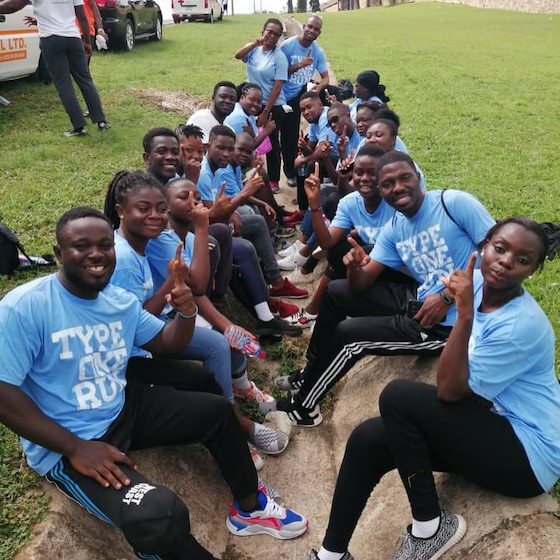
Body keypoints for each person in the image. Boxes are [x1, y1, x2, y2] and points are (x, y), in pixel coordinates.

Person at [0, 208, 308, 560]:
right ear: (58, 254)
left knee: (217, 410)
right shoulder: (24, 308)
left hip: (121, 407)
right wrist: (75, 447)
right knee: (159, 514)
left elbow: (167, 344)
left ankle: (250, 509)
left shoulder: (118, 303)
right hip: (69, 440)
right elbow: (3, 391)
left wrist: (187, 311)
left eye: (104, 244)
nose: (96, 254)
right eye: (80, 246)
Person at [305, 217, 560, 560]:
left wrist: (465, 314)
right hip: (495, 419)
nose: (506, 261)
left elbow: (449, 391)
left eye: (522, 259)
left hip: (530, 457)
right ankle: (331, 554)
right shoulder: (479, 283)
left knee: (398, 396)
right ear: (483, 246)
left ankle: (429, 528)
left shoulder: (522, 325)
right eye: (499, 248)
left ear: (532, 271)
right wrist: (451, 295)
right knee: (369, 438)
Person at [272, 151, 495, 427]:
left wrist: (448, 297)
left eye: (404, 178)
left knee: (350, 336)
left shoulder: (454, 203)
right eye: (388, 183)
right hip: (419, 300)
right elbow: (362, 283)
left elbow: (497, 256)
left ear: (418, 176)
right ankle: (312, 369)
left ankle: (304, 408)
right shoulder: (395, 228)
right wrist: (354, 266)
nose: (397, 187)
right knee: (336, 292)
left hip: (449, 323)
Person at [103, 171, 291, 459]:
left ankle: (239, 392)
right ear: (121, 212)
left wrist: (223, 322)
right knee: (215, 343)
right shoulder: (133, 255)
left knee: (226, 333)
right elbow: (191, 288)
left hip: (160, 320)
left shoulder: (154, 239)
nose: (156, 216)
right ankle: (233, 426)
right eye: (145, 209)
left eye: (160, 210)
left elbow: (196, 289)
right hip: (139, 347)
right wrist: (202, 230)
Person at [285, 144, 393, 328]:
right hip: (367, 263)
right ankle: (316, 312)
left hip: (396, 265)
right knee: (339, 250)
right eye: (359, 172)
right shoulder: (351, 202)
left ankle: (315, 310)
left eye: (372, 173)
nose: (365, 178)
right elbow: (326, 242)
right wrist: (314, 204)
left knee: (360, 251)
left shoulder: (394, 202)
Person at [198, 125, 309, 302]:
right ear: (207, 147)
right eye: (221, 148)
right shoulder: (204, 174)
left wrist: (237, 207)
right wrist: (242, 197)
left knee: (255, 218)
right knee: (253, 221)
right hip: (211, 232)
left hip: (221, 223)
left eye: (229, 149)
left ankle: (272, 276)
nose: (226, 154)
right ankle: (273, 280)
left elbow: (222, 203)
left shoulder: (217, 169)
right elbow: (210, 216)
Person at [0, 0, 109, 137]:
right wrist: (87, 41)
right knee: (85, 81)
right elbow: (81, 16)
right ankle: (102, 122)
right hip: (73, 38)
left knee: (64, 85)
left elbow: (12, 5)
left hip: (51, 40)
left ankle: (79, 127)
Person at [235, 18, 288, 193]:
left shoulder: (279, 56)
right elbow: (238, 55)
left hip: (272, 105)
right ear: (263, 31)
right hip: (252, 102)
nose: (272, 36)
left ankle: (273, 180)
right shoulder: (254, 50)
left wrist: (266, 111)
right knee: (249, 137)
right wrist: (253, 44)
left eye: (276, 34)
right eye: (269, 31)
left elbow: (278, 85)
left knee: (271, 142)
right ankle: (247, 173)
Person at [280, 14, 329, 187]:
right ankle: (272, 177)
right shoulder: (287, 46)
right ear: (304, 26)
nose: (311, 30)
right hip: (279, 95)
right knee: (274, 134)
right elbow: (279, 72)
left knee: (290, 136)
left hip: (296, 97)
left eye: (316, 29)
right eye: (309, 26)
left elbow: (325, 78)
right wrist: (300, 65)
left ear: (319, 32)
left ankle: (290, 171)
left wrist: (319, 88)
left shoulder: (318, 51)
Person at [224, 82, 276, 150]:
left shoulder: (246, 112)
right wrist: (266, 131)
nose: (255, 104)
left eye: (259, 102)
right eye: (252, 100)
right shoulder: (239, 118)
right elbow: (246, 149)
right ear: (242, 97)